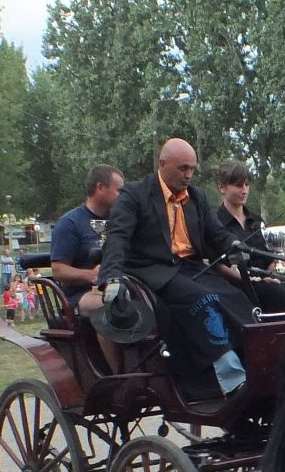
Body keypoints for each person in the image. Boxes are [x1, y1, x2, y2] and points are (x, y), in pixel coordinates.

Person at [97, 137, 256, 398]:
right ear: (162, 164)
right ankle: (232, 380)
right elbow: (118, 238)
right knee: (202, 301)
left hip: (190, 268)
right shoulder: (134, 195)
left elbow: (217, 235)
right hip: (152, 270)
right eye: (183, 168)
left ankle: (253, 366)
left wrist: (235, 245)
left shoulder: (196, 196)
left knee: (234, 297)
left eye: (192, 169)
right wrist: (111, 277)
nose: (189, 175)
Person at [213, 159, 285, 312]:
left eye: (247, 184)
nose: (244, 190)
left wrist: (274, 270)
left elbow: (269, 257)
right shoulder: (215, 222)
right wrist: (251, 280)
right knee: (276, 292)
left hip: (267, 280)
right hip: (238, 286)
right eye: (238, 185)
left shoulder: (256, 221)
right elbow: (217, 265)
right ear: (222, 187)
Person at [51, 164, 125, 305]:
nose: (123, 196)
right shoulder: (70, 223)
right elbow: (58, 270)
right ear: (100, 187)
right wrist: (91, 275)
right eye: (119, 191)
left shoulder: (122, 221)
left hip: (121, 286)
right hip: (82, 294)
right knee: (118, 306)